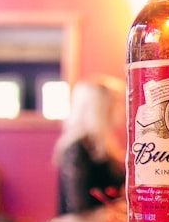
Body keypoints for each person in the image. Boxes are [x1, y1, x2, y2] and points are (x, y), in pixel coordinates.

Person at [53, 76, 126, 214]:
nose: (121, 109)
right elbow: (77, 209)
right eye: (116, 103)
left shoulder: (103, 146)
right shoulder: (77, 149)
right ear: (100, 109)